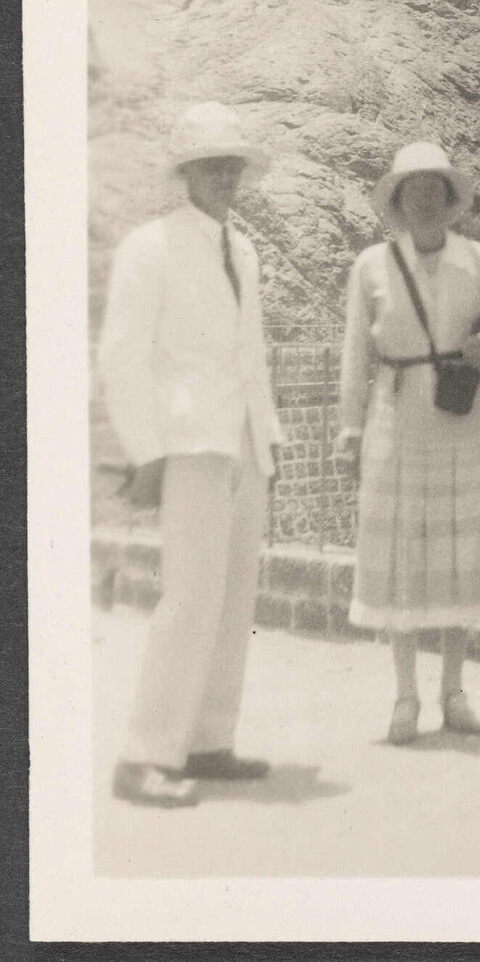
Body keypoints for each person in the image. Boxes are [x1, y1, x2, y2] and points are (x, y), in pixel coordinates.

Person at [98, 102, 284, 809]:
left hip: (242, 441)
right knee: (188, 596)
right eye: (211, 164)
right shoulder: (150, 246)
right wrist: (147, 451)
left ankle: (207, 738)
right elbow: (122, 357)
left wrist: (268, 438)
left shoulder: (245, 250)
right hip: (188, 440)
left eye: (232, 164)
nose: (224, 176)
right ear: (185, 173)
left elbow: (252, 356)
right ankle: (144, 753)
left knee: (236, 595)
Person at [332, 142, 480, 744]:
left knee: (460, 554)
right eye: (413, 194)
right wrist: (349, 429)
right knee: (404, 555)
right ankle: (405, 696)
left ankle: (454, 693)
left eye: (434, 192)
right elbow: (356, 352)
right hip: (397, 412)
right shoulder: (371, 267)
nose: (425, 203)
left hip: (462, 415)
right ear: (399, 203)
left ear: (450, 199)